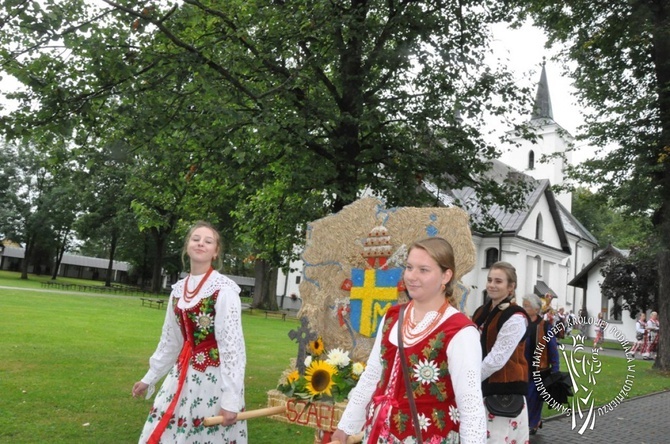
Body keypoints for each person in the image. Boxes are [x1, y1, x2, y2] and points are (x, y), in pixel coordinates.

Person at [331, 237, 487, 444]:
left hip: (429, 436)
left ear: (445, 276)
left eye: (423, 270)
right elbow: (373, 375)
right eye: (409, 267)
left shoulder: (460, 331)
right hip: (380, 433)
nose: (412, 276)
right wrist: (345, 427)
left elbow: (470, 405)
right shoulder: (392, 317)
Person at [132, 221, 247, 444]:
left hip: (212, 380)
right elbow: (170, 342)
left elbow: (232, 348)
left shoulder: (224, 290)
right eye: (195, 239)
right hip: (180, 378)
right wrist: (150, 378)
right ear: (187, 247)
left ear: (216, 252)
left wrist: (231, 400)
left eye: (208, 241)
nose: (201, 244)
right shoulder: (177, 291)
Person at [472, 261, 530, 443]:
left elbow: (497, 359)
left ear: (510, 287)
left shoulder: (515, 317)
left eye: (498, 281)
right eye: (490, 280)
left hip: (502, 392)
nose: (491, 285)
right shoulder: (482, 311)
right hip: (480, 389)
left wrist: (469, 379)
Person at [522, 294, 559, 435]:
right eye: (524, 305)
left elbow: (552, 348)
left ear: (536, 308)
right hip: (522, 366)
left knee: (535, 398)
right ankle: (528, 422)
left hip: (539, 368)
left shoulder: (545, 326)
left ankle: (533, 423)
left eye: (527, 305)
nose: (525, 308)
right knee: (524, 397)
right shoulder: (521, 322)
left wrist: (555, 368)